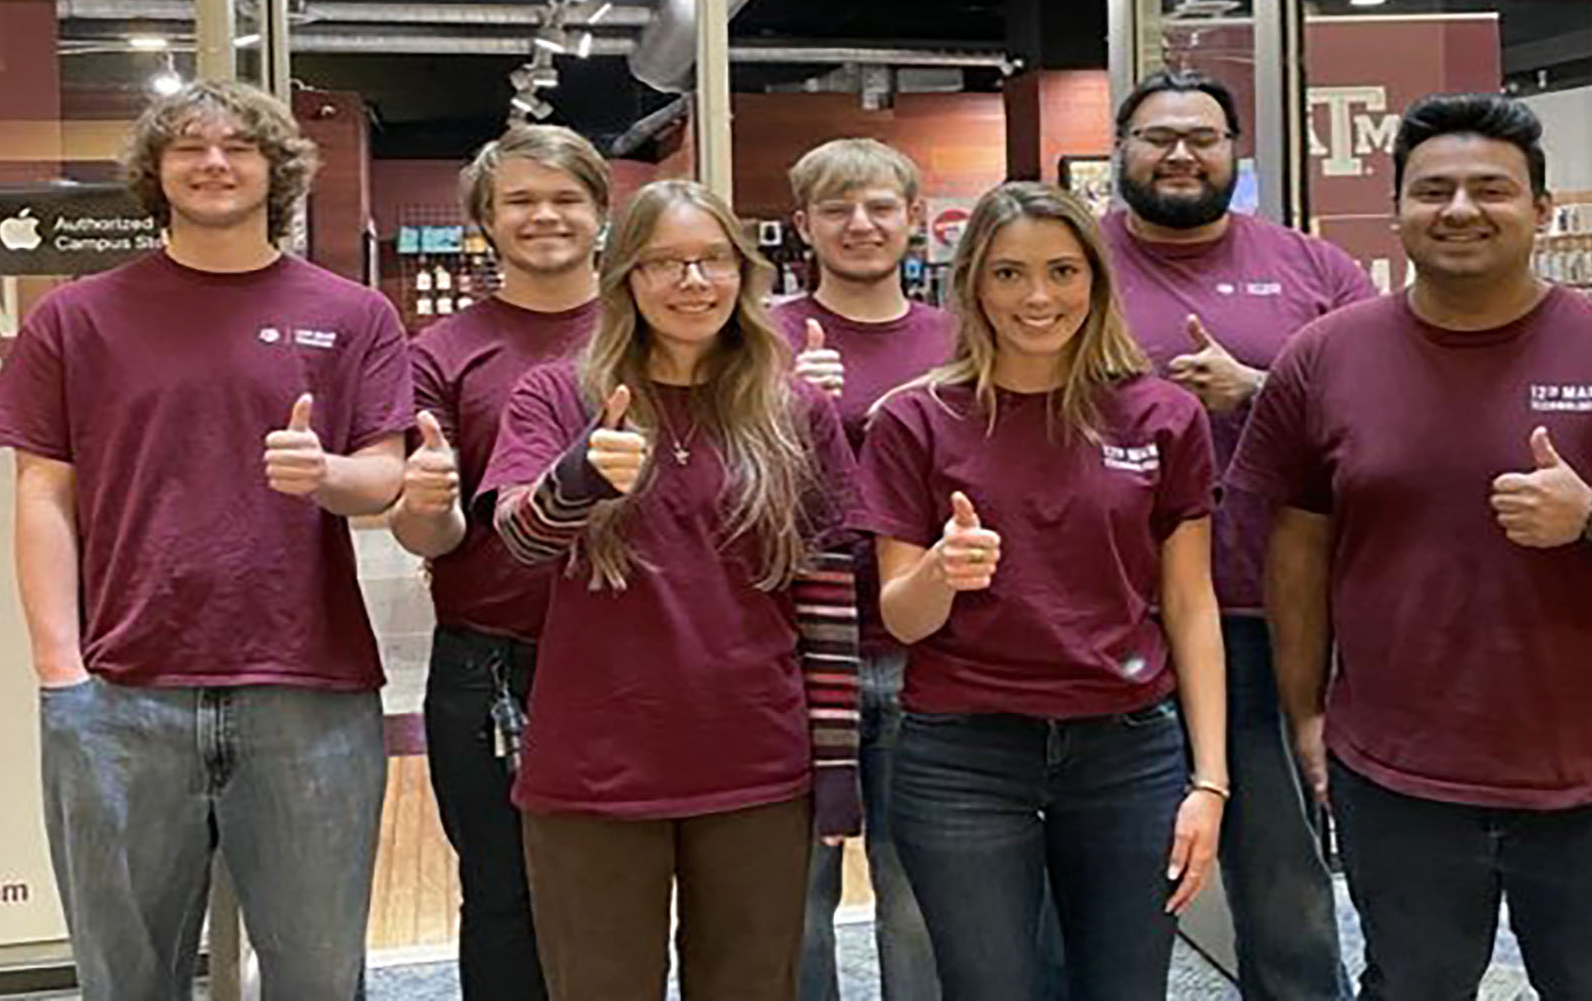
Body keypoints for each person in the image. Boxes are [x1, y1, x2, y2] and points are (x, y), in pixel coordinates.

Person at [1231, 93, 1592, 1001]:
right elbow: (1297, 551)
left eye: (1492, 189)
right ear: (1396, 210)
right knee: (1408, 986)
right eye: (1433, 190)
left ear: (1541, 211)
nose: (1462, 209)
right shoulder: (1323, 361)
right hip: (1399, 777)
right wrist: (1307, 715)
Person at [0, 80, 411, 1000]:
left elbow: (387, 473)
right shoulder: (76, 318)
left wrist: (326, 475)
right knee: (126, 979)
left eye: (238, 147)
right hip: (123, 696)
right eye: (189, 147)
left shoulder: (354, 314)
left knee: (321, 977)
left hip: (310, 692)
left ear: (276, 169)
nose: (215, 163)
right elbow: (42, 494)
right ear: (155, 171)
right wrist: (62, 674)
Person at [479, 179, 862, 1001]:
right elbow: (518, 540)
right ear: (624, 278)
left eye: (713, 261)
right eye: (665, 263)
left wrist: (838, 767)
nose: (693, 282)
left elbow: (828, 599)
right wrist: (577, 475)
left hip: (757, 764)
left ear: (743, 274)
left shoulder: (794, 409)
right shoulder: (558, 393)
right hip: (595, 770)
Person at [856, 180, 1228, 1001]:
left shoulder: (1161, 415)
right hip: (962, 754)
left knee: (1127, 986)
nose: (1037, 297)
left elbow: (1191, 606)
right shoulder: (915, 420)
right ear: (973, 286)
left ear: (1095, 281)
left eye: (1062, 271)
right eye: (1008, 273)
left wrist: (1210, 781)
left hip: (1129, 750)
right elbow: (900, 616)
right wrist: (941, 572)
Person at [1101, 70, 1370, 1000]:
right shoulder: (1069, 265)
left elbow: (1381, 420)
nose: (1181, 153)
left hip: (1268, 617)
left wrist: (1259, 392)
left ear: (1235, 153)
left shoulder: (1315, 271)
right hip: (1106, 620)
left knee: (1286, 886)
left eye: (1203, 136)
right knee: (1105, 886)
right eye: (1157, 136)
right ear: (1121, 151)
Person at [385, 125, 610, 999]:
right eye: (519, 201)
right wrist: (428, 503)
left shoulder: (659, 332)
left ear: (600, 212)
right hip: (490, 665)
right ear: (485, 220)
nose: (543, 216)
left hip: (640, 657)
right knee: (502, 895)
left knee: (619, 898)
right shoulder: (441, 352)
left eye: (564, 198)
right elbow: (430, 538)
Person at [774, 139, 949, 1001]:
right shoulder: (758, 338)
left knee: (919, 895)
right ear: (803, 226)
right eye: (837, 209)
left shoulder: (959, 342)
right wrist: (786, 403)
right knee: (793, 898)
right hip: (795, 659)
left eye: (881, 205)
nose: (861, 225)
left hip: (932, 653)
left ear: (914, 217)